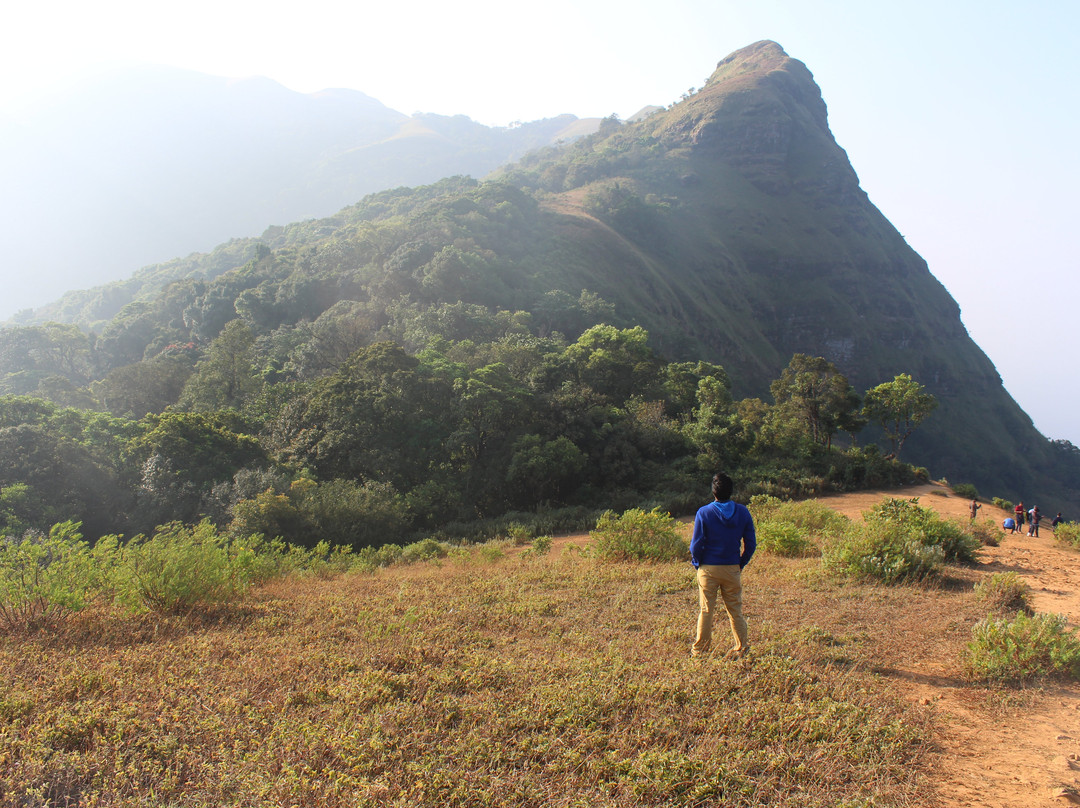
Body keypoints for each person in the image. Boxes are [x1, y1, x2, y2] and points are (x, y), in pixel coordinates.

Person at [689, 472, 756, 659]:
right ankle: (742, 648)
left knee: (706, 610)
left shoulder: (704, 512)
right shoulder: (743, 512)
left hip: (708, 569)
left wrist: (697, 563)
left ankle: (700, 651)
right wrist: (740, 563)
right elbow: (751, 544)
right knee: (735, 609)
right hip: (732, 567)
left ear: (714, 492)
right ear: (731, 491)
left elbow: (696, 545)